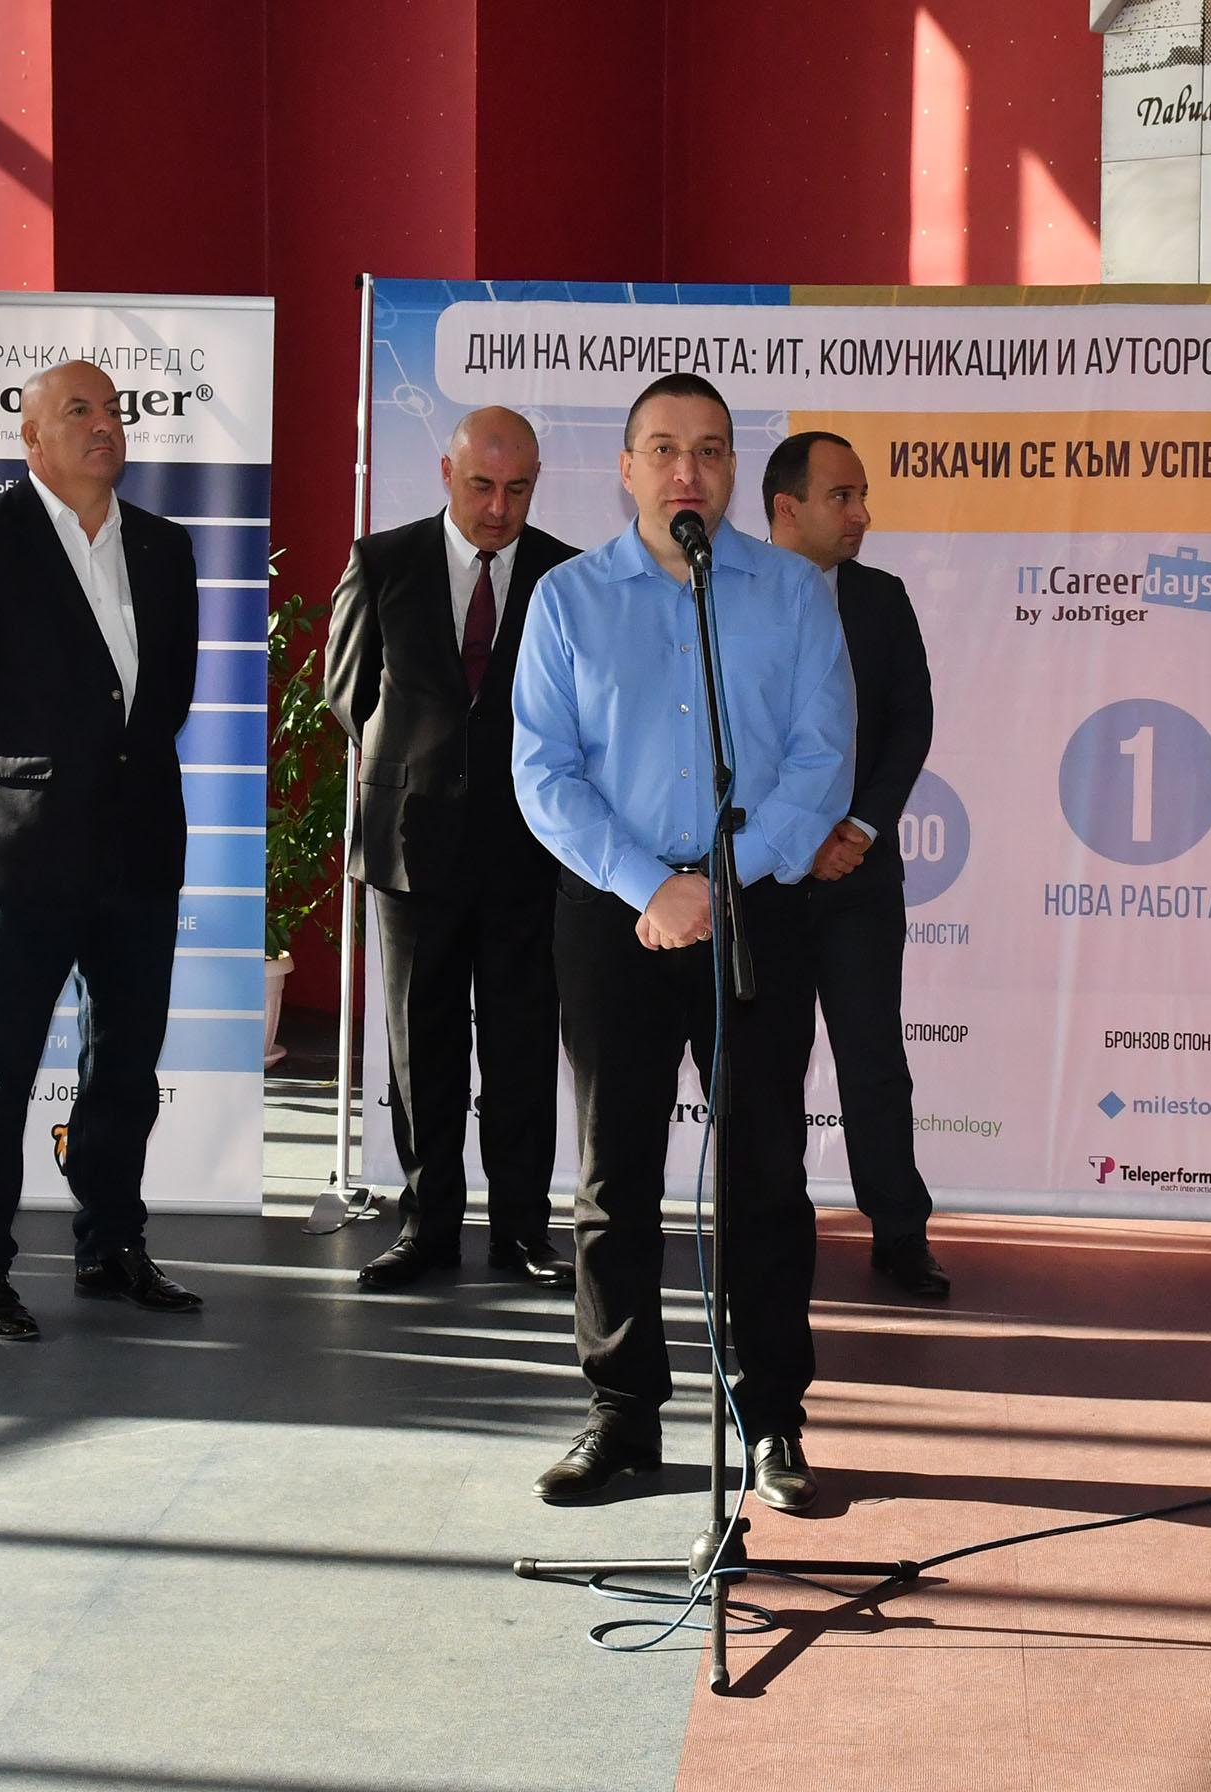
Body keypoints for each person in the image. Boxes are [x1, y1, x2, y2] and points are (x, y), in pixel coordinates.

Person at [509, 373, 857, 1512]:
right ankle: (622, 1412)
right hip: (616, 913)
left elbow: (823, 758)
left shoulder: (791, 592)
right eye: (662, 449)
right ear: (626, 469)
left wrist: (722, 880)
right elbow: (543, 772)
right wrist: (650, 885)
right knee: (616, 1173)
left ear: (732, 471)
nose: (685, 471)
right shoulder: (567, 598)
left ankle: (773, 1416)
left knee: (764, 1172)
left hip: (754, 910)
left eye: (708, 450)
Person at [0, 359, 207, 1341]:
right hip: (17, 857)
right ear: (31, 438)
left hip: (138, 847)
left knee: (126, 1069)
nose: (104, 423)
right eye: (79, 410)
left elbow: (167, 697)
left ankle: (112, 1245)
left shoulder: (163, 545)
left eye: (114, 409)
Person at [323, 408, 578, 1293]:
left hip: (530, 853)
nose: (499, 508)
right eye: (481, 486)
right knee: (420, 1049)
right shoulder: (382, 562)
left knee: (521, 1048)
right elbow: (348, 695)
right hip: (410, 849)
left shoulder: (565, 575)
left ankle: (522, 1231)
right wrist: (420, 764)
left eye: (518, 490)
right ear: (445, 473)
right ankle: (426, 1227)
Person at [761, 429, 950, 1301]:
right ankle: (771, 1231)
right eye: (843, 497)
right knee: (768, 1068)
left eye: (862, 496)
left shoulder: (882, 598)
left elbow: (912, 722)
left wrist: (860, 829)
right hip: (762, 881)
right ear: (786, 508)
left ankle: (900, 1231)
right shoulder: (727, 596)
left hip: (860, 877)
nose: (862, 514)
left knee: (873, 1059)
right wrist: (793, 838)